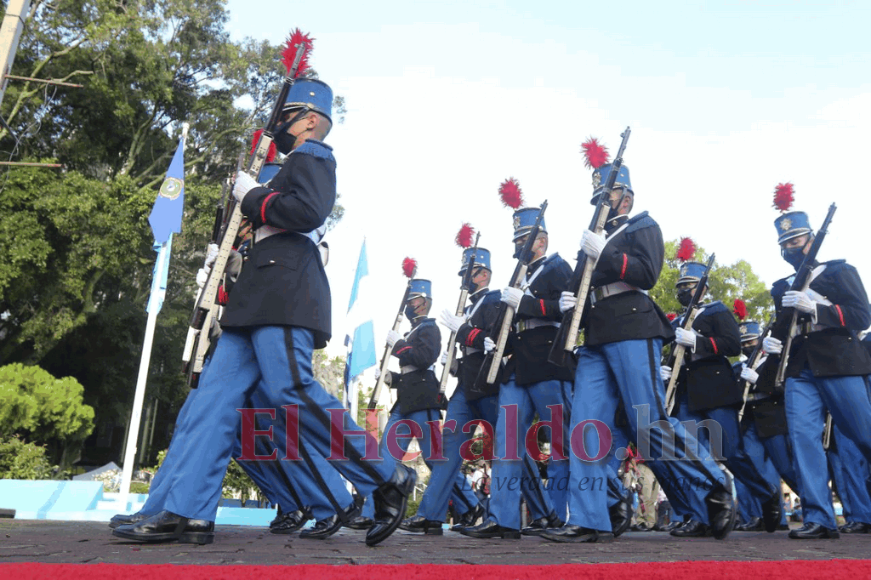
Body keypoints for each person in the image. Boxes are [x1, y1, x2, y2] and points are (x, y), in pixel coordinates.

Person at [110, 78, 415, 547]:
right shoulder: (283, 167)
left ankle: (386, 474)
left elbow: (309, 212)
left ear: (309, 120)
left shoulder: (313, 155)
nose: (277, 126)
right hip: (255, 295)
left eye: (284, 117)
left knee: (291, 390)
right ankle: (184, 510)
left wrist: (252, 196)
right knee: (208, 405)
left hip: (284, 289)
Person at [542, 155, 736, 543]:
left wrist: (606, 252)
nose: (601, 202)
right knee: (585, 427)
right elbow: (581, 287)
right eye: (597, 196)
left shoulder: (642, 226)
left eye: (607, 195)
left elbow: (647, 273)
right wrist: (567, 302)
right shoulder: (592, 238)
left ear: (626, 198)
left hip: (632, 323)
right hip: (596, 334)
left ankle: (716, 481)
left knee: (648, 423)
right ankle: (589, 517)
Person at [400, 248, 555, 536]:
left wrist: (464, 330)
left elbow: (494, 341)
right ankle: (430, 514)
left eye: (469, 273)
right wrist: (455, 365)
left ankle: (545, 512)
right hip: (466, 385)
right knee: (448, 449)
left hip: (489, 383)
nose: (465, 279)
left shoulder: (494, 300)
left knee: (512, 452)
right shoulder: (470, 307)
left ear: (484, 274)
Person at [460, 210, 575, 540]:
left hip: (548, 358)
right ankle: (503, 517)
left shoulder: (556, 267)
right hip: (519, 363)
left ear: (542, 241)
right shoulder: (520, 277)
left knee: (565, 441)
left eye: (525, 239)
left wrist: (526, 303)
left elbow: (568, 310)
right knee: (507, 441)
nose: (519, 245)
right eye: (517, 239)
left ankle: (605, 501)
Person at [762, 203, 871, 539]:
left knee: (863, 433)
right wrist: (771, 341)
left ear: (811, 239)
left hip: (838, 359)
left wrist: (818, 309)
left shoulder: (839, 272)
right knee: (803, 440)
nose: (791, 247)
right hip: (800, 367)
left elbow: (862, 315)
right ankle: (819, 518)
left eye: (796, 240)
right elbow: (784, 327)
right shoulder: (782, 286)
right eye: (785, 243)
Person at [347, 279, 480, 530]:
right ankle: (371, 512)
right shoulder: (413, 331)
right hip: (405, 402)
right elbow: (410, 372)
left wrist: (398, 345)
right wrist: (391, 378)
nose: (409, 304)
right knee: (384, 458)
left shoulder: (430, 328)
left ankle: (471, 505)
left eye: (414, 299)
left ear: (425, 302)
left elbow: (423, 359)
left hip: (423, 401)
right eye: (408, 300)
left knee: (436, 461)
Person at [661, 265, 782, 536]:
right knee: (690, 454)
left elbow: (732, 344)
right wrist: (665, 369)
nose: (683, 290)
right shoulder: (678, 321)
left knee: (729, 452)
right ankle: (702, 516)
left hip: (716, 389)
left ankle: (767, 493)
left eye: (689, 285)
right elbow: (674, 355)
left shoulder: (716, 311)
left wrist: (698, 341)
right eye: (680, 286)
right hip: (688, 394)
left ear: (703, 287)